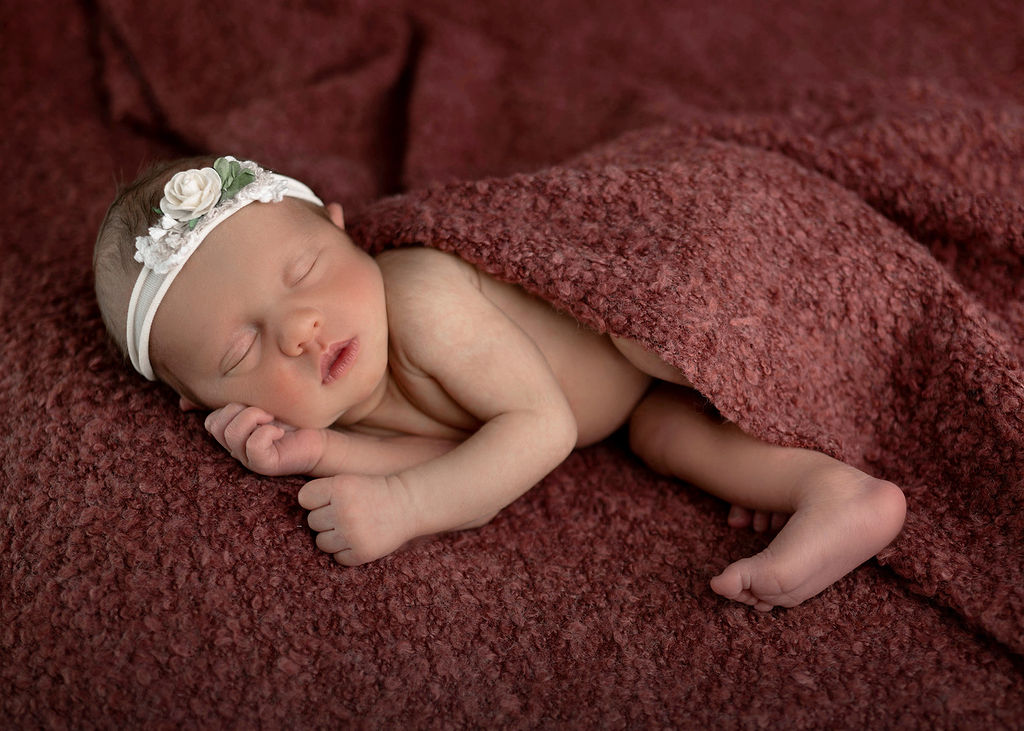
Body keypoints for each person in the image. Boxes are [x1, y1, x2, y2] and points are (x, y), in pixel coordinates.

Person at [93, 155, 906, 611]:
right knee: (666, 436)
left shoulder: (416, 297)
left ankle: (813, 438)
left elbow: (536, 430)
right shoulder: (352, 389)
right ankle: (838, 491)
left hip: (651, 314)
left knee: (673, 343)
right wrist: (317, 450)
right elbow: (453, 442)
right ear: (205, 403)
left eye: (304, 269)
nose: (299, 328)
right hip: (630, 405)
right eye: (240, 352)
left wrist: (407, 508)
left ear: (341, 228)